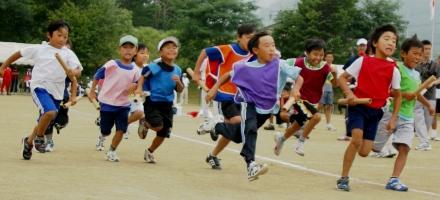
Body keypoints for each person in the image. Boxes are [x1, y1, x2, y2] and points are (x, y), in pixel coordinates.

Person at [206, 31, 303, 180]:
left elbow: (299, 77)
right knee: (250, 130)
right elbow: (227, 75)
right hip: (248, 102)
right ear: (256, 50)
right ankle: (251, 165)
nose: (271, 49)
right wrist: (214, 88)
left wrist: (295, 89)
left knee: (239, 137)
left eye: (273, 45)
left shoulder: (280, 64)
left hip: (266, 107)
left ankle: (216, 126)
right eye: (267, 45)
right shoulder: (245, 66)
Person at [0, 20, 82, 160]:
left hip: (57, 91)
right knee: (50, 112)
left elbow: (78, 70)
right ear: (49, 35)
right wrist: (3, 66)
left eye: (65, 36)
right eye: (59, 35)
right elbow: (18, 54)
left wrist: (72, 72)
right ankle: (40, 137)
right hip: (40, 87)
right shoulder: (39, 49)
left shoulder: (68, 53)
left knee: (44, 119)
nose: (62, 39)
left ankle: (29, 142)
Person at [336, 24, 402, 191]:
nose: (391, 43)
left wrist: (393, 118)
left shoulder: (393, 68)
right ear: (374, 43)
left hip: (376, 112)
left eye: (394, 41)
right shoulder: (363, 61)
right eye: (386, 39)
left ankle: (356, 150)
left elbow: (398, 95)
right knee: (356, 138)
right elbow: (342, 79)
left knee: (365, 151)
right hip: (358, 107)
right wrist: (350, 95)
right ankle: (343, 178)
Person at [373, 35, 434, 192]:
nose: (417, 57)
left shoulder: (416, 74)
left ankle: (394, 179)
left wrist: (427, 105)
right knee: (374, 148)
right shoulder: (396, 68)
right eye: (414, 53)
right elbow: (385, 90)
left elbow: (416, 93)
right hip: (391, 113)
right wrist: (400, 94)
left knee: (405, 147)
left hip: (407, 117)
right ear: (403, 54)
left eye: (420, 54)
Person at [273, 38, 337, 157]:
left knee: (297, 124)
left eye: (321, 55)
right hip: (298, 98)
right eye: (315, 54)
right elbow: (279, 64)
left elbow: (335, 84)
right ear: (307, 53)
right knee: (317, 117)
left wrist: (334, 73)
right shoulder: (297, 62)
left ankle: (281, 139)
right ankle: (300, 142)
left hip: (313, 101)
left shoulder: (325, 68)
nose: (318, 58)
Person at [193, 24, 256, 143]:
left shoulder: (254, 54)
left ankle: (214, 125)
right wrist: (196, 72)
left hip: (242, 96)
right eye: (248, 37)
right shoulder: (228, 49)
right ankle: (215, 124)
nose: (251, 41)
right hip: (225, 93)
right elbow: (205, 52)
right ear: (239, 37)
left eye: (253, 38)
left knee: (239, 125)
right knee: (238, 121)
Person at [89, 35, 141, 161]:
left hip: (123, 104)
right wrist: (92, 91)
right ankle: (102, 136)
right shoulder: (112, 64)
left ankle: (112, 151)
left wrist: (134, 88)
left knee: (121, 129)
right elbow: (98, 75)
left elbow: (138, 84)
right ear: (119, 49)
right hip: (107, 102)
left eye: (131, 48)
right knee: (106, 129)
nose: (128, 50)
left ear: (135, 51)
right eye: (125, 47)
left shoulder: (136, 69)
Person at [136, 36, 183, 163]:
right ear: (160, 52)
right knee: (157, 126)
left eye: (174, 47)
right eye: (168, 48)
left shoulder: (178, 70)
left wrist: (179, 82)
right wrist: (139, 88)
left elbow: (180, 89)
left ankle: (150, 151)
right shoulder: (155, 66)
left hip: (168, 104)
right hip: (153, 101)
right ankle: (145, 122)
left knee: (164, 133)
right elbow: (143, 77)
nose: (172, 50)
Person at [337, 38, 369, 141]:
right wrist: (346, 85)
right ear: (357, 47)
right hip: (352, 89)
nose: (362, 47)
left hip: (365, 90)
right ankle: (348, 133)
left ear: (367, 47)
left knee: (366, 112)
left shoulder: (370, 59)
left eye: (364, 45)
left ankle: (364, 134)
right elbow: (344, 75)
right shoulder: (352, 60)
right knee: (349, 112)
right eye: (360, 45)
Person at [413, 40, 440, 147]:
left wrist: (433, 82)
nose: (427, 51)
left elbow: (439, 78)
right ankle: (424, 142)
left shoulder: (434, 65)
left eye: (429, 49)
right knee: (418, 119)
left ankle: (424, 140)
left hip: (430, 96)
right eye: (425, 49)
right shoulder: (416, 64)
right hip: (418, 95)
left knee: (428, 120)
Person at [124, 43, 149, 140]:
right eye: (142, 53)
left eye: (147, 53)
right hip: (127, 97)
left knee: (142, 113)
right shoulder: (131, 67)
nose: (145, 55)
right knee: (140, 113)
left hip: (139, 97)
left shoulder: (148, 68)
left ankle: (140, 123)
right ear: (135, 55)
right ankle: (123, 124)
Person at [319, 51, 337, 131]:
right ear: (325, 58)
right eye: (328, 57)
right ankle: (309, 120)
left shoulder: (334, 67)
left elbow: (335, 79)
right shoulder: (322, 65)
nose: (329, 58)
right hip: (322, 87)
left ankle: (328, 124)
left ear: (333, 58)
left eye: (331, 57)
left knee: (329, 106)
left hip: (330, 87)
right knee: (319, 105)